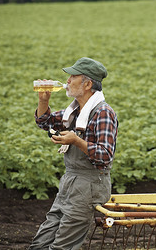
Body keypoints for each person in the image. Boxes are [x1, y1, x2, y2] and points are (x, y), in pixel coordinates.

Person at [29, 57, 118, 250]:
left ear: (87, 84)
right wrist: (43, 100)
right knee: (40, 242)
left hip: (90, 184)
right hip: (70, 181)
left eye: (72, 77)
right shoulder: (75, 112)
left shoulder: (102, 113)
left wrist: (76, 141)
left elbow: (105, 155)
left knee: (62, 246)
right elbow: (45, 122)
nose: (67, 81)